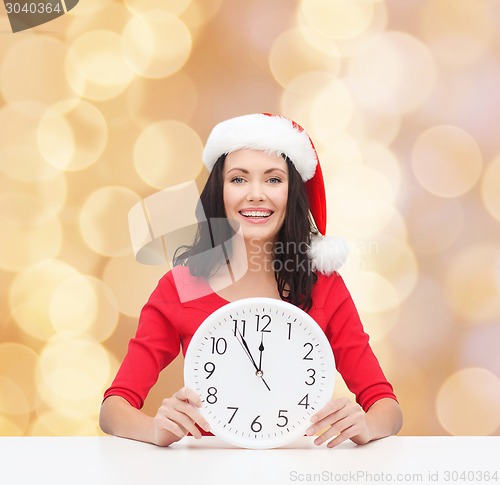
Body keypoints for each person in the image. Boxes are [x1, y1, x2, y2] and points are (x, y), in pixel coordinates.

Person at [99, 113, 403, 448]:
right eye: (239, 179)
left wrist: (366, 424)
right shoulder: (179, 287)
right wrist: (154, 430)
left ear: (293, 193)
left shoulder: (324, 285)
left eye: (273, 180)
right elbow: (114, 408)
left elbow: (386, 407)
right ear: (220, 192)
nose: (256, 194)